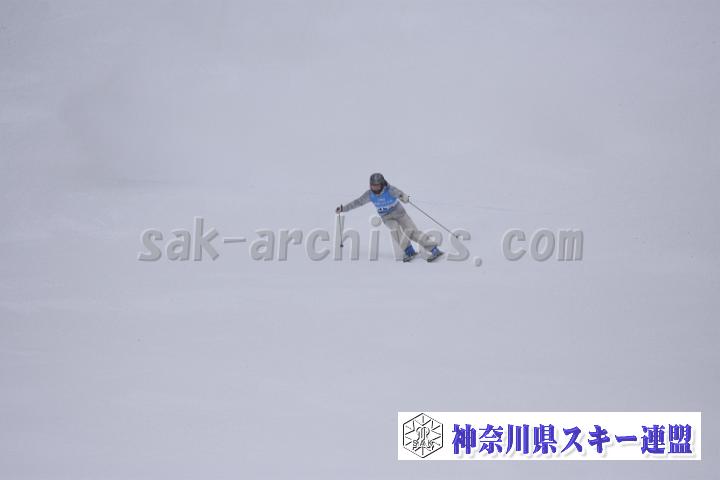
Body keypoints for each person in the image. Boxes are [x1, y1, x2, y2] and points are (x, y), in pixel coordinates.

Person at [335, 173, 444, 262]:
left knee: (411, 232)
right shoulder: (369, 194)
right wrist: (343, 208)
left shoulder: (390, 190)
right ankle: (409, 251)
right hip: (387, 217)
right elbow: (357, 202)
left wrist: (404, 197)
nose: (375, 188)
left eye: (377, 185)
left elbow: (400, 194)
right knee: (394, 229)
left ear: (382, 184)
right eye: (373, 185)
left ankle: (434, 249)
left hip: (400, 214)